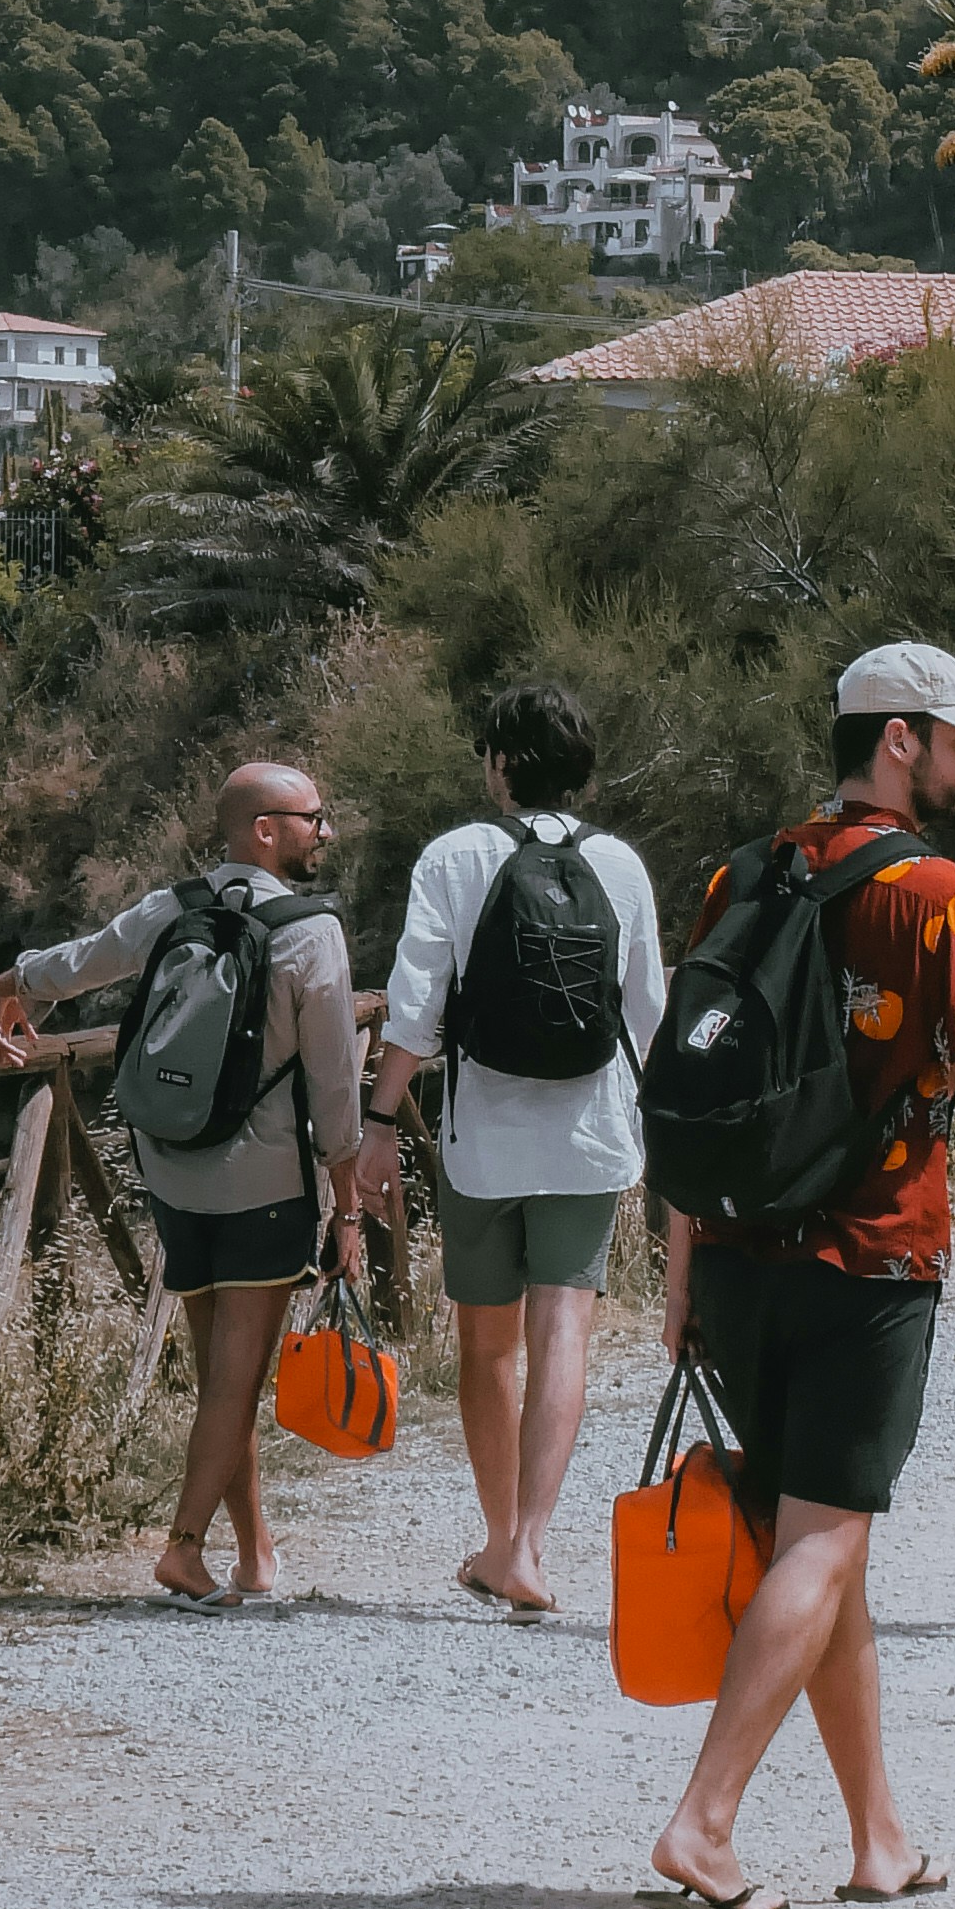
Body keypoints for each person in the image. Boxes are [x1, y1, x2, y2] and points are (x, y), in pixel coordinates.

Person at [645, 641, 955, 1909]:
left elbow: (692, 1091)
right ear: (898, 741)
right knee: (824, 1541)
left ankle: (880, 1835)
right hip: (871, 1253)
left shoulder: (736, 875)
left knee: (823, 1547)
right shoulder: (943, 896)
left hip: (736, 1254)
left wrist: (679, 1267)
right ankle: (703, 1826)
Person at [0, 757, 367, 1606]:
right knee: (236, 1381)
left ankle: (256, 1553)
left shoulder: (174, 907)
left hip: (174, 1173)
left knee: (219, 1375)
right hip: (265, 1181)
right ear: (264, 831)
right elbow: (336, 1087)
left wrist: (13, 981)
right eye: (312, 817)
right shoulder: (311, 932)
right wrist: (349, 1205)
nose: (325, 831)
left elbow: (87, 963)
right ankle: (184, 1550)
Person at [351, 678, 667, 1618]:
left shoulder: (456, 856)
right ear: (582, 768)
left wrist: (378, 1127)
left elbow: (414, 1010)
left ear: (498, 764)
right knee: (562, 1323)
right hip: (591, 1130)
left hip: (482, 1136)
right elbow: (648, 1014)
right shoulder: (620, 866)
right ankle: (531, 1541)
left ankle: (498, 1541)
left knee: (488, 1343)